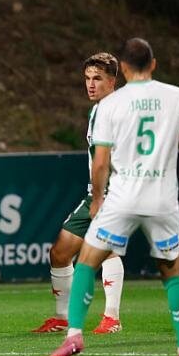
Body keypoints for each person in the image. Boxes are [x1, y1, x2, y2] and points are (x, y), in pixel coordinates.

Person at [46, 38, 179, 356]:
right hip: (161, 198)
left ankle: (74, 334)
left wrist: (97, 199)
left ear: (124, 69)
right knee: (173, 275)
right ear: (153, 64)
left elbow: (101, 162)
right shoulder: (175, 96)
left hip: (122, 195)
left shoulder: (112, 105)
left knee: (86, 262)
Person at [33, 53, 125, 335]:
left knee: (106, 250)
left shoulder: (118, 110)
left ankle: (112, 318)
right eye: (87, 78)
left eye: (97, 78)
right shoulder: (98, 110)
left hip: (114, 192)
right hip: (95, 193)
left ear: (112, 80)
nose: (91, 84)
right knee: (60, 253)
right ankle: (63, 317)